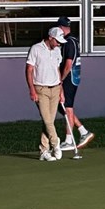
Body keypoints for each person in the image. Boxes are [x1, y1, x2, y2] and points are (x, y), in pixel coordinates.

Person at [55, 16, 95, 159]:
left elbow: (68, 64)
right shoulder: (73, 40)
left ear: (61, 28)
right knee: (63, 107)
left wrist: (60, 79)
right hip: (74, 76)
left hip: (70, 77)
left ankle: (69, 140)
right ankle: (83, 131)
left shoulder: (69, 42)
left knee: (67, 107)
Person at [26, 26, 67, 162]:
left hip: (55, 88)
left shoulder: (57, 50)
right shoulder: (36, 49)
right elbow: (29, 70)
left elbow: (57, 70)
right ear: (50, 38)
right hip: (41, 89)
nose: (59, 44)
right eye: (57, 41)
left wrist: (61, 90)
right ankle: (56, 144)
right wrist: (31, 89)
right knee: (48, 120)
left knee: (48, 121)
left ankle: (44, 150)